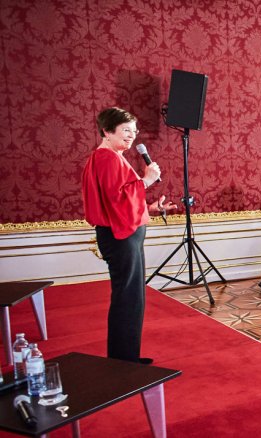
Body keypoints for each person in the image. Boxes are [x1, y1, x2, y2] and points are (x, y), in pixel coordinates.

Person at [82, 107, 177, 364]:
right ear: (106, 130)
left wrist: (149, 208)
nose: (131, 136)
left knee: (131, 295)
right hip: (120, 236)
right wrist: (146, 181)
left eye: (134, 131)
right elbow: (117, 198)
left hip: (124, 233)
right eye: (126, 130)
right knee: (128, 295)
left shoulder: (111, 156)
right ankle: (123, 360)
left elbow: (118, 202)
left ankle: (125, 356)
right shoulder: (107, 158)